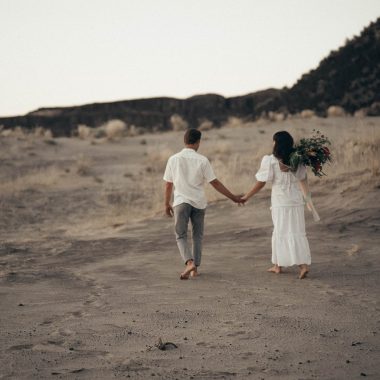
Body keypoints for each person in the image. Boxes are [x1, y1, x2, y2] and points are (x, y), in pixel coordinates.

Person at [163, 128, 244, 280]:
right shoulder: (202, 160)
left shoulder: (173, 159)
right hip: (199, 203)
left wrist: (166, 203)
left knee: (180, 235)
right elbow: (215, 183)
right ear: (198, 142)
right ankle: (195, 269)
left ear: (184, 141)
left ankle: (189, 262)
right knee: (197, 235)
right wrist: (233, 197)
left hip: (181, 202)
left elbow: (168, 184)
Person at [242, 131, 311, 279]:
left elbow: (261, 183)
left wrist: (246, 196)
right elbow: (303, 179)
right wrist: (309, 200)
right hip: (296, 201)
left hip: (280, 202)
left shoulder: (270, 160)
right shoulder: (297, 159)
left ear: (276, 143)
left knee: (280, 231)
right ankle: (292, 265)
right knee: (296, 231)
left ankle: (286, 266)